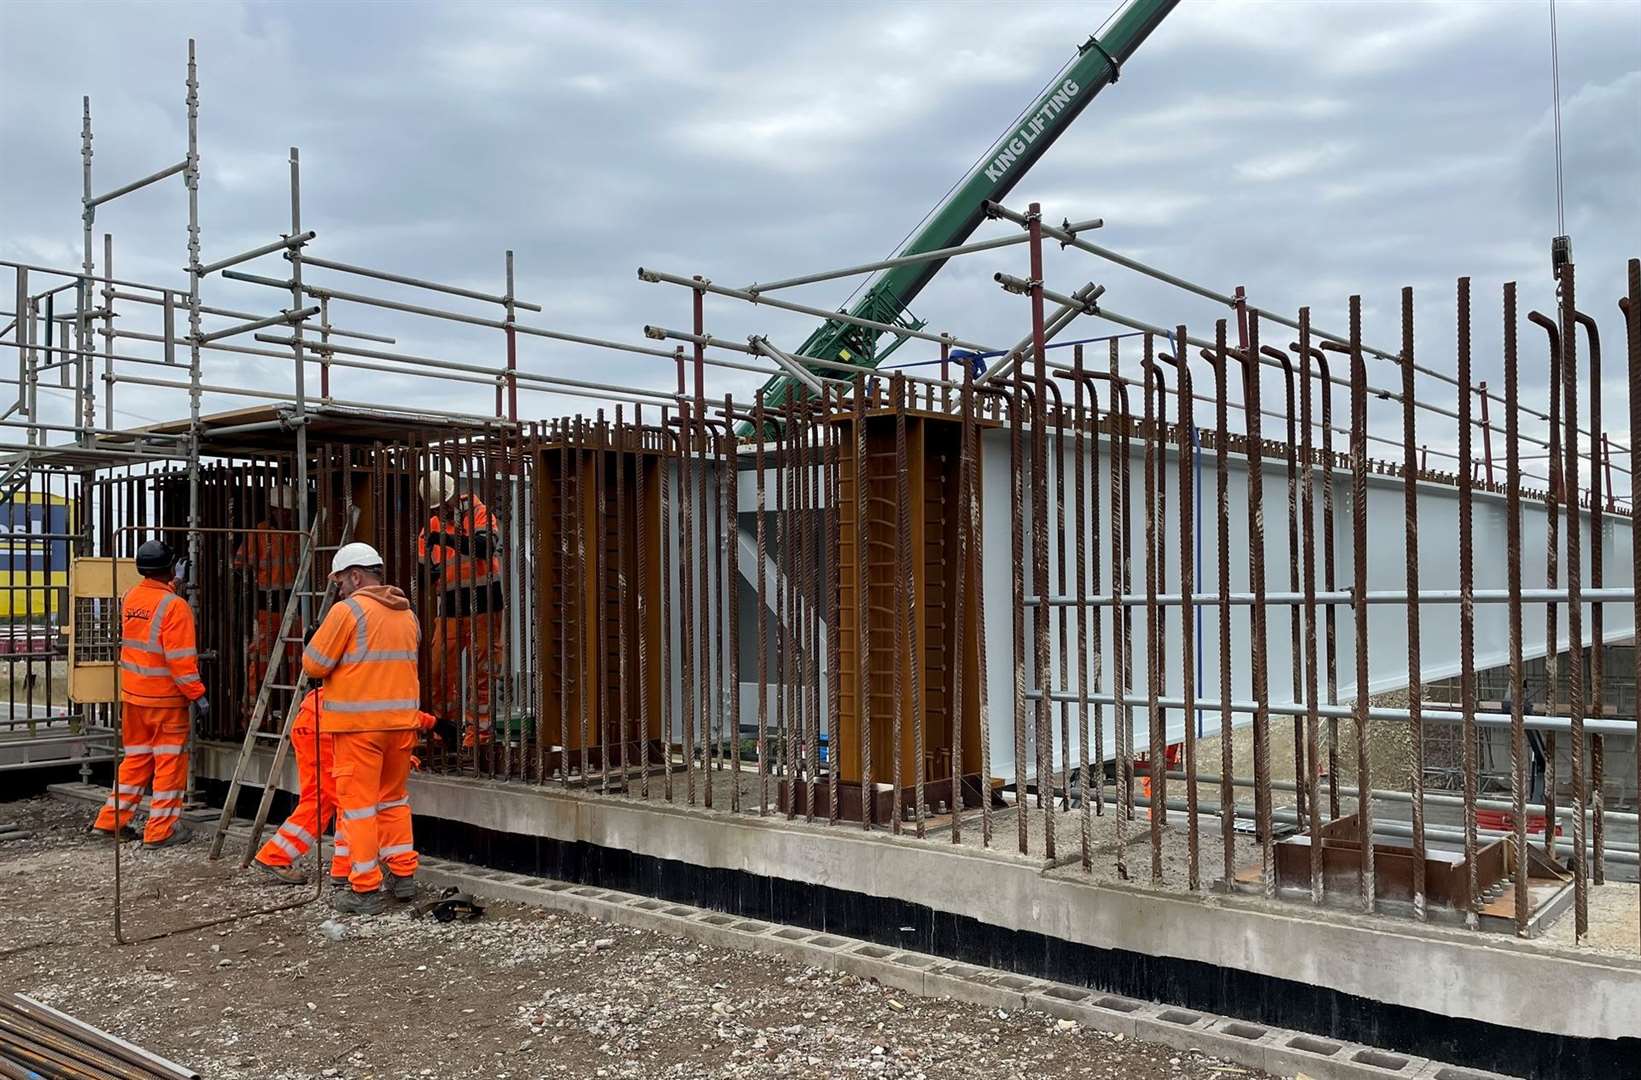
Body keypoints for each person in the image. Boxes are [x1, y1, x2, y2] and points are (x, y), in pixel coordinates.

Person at [301, 542, 421, 915]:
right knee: (393, 801)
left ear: (356, 576)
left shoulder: (347, 611)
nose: (338, 589)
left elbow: (314, 665)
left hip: (359, 729)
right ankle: (404, 878)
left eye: (340, 581)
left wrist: (315, 640)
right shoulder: (406, 614)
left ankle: (364, 888)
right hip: (401, 726)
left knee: (358, 808)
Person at [252, 689, 436, 887]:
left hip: (313, 721)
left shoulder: (364, 667)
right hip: (328, 727)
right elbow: (388, 710)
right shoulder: (383, 675)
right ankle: (344, 868)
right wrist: (432, 723)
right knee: (348, 799)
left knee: (319, 800)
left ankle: (276, 855)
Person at [93, 539, 208, 848]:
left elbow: (151, 618)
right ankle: (161, 831)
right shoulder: (176, 607)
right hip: (166, 700)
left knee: (136, 759)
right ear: (170, 567)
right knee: (169, 764)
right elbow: (180, 660)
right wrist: (197, 694)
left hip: (133, 697)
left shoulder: (131, 596)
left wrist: (175, 584)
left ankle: (110, 822)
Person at [418, 472, 503, 748]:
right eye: (435, 508)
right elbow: (423, 572)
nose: (440, 511)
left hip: (485, 605)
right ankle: (447, 731)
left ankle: (479, 737)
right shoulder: (431, 525)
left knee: (484, 672)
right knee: (440, 672)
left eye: (442, 505)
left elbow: (484, 546)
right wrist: (429, 571)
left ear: (453, 496)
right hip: (451, 608)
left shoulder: (479, 512)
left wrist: (445, 539)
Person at [233, 486, 299, 712]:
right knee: (260, 661)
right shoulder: (259, 534)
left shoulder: (300, 534)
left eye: (289, 511)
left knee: (296, 661)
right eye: (282, 510)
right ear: (272, 509)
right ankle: (252, 713)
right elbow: (240, 565)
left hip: (294, 607)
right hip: (266, 607)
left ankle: (294, 713)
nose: (286, 515)